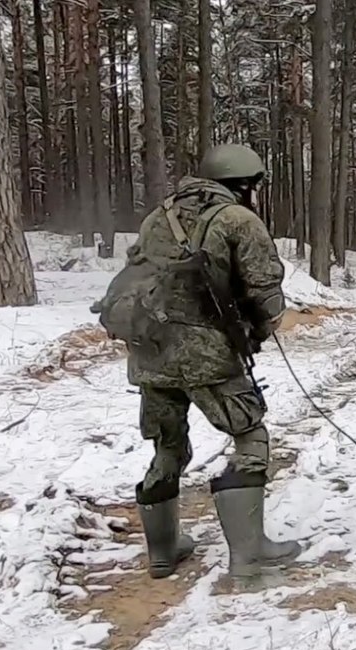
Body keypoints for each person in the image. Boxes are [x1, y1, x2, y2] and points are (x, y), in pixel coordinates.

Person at [93, 143, 301, 579]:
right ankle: (248, 554)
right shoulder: (238, 219)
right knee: (249, 436)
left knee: (168, 445)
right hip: (207, 356)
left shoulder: (158, 215)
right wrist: (258, 332)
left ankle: (163, 552)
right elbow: (266, 291)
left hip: (150, 352)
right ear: (243, 184)